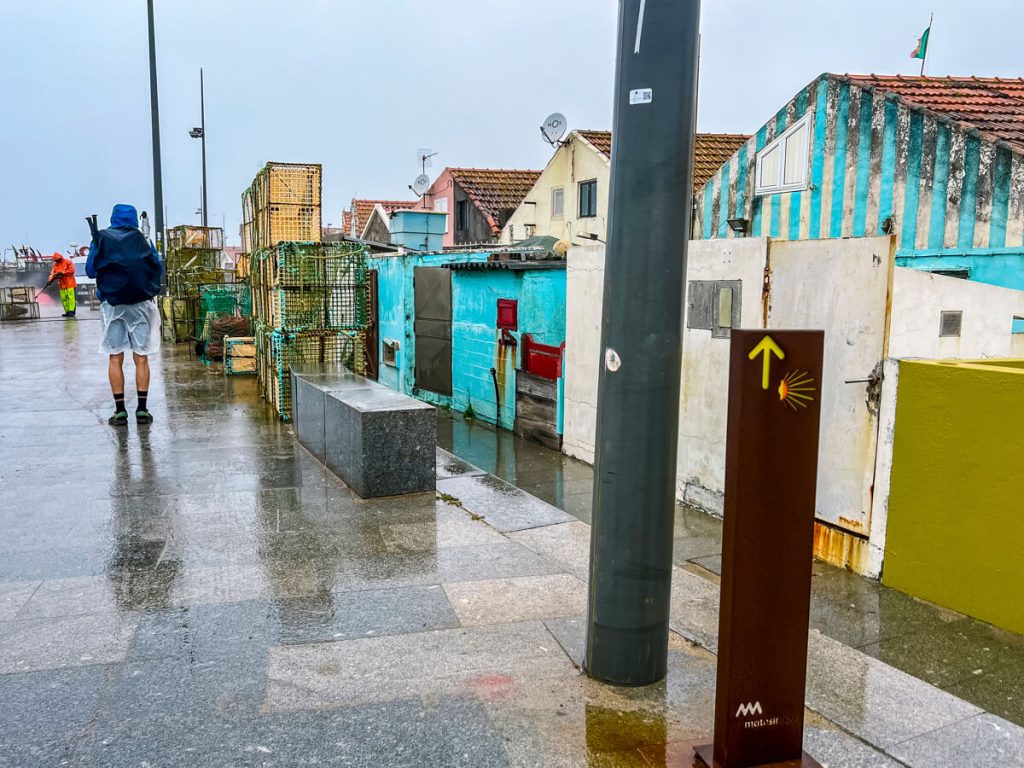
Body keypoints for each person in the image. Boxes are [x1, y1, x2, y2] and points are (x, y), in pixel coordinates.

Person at [86, 204, 164, 426]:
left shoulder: (100, 238)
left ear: (113, 219)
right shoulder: (143, 239)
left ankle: (120, 411)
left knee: (115, 356)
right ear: (133, 219)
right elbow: (156, 267)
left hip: (112, 305)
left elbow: (91, 270)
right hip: (140, 304)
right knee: (141, 357)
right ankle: (142, 410)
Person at [47, 251, 77, 318]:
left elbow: (72, 271)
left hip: (70, 284)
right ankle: (67, 311)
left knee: (71, 298)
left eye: (58, 260)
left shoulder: (68, 262)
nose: (57, 261)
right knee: (64, 298)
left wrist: (62, 273)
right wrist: (49, 281)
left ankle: (71, 311)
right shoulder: (56, 265)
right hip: (62, 285)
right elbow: (53, 274)